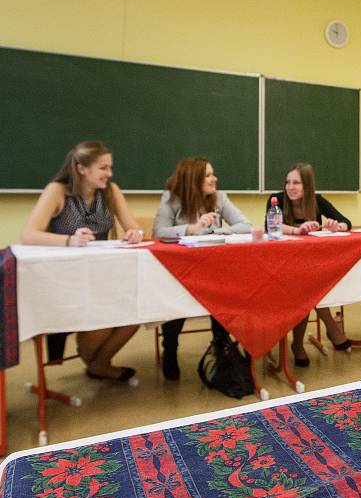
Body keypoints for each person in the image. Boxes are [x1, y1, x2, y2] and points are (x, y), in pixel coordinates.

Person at [21, 141, 143, 382]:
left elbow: (134, 228)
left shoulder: (111, 191)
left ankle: (99, 363)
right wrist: (69, 240)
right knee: (104, 316)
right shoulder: (57, 190)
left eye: (110, 167)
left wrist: (134, 234)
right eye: (103, 168)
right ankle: (95, 361)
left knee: (137, 311)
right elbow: (29, 235)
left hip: (102, 273)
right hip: (64, 277)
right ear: (81, 169)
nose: (109, 174)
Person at [153, 157, 252, 379]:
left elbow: (246, 225)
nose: (214, 178)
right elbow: (158, 233)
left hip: (212, 267)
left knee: (222, 292)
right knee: (176, 296)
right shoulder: (172, 199)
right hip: (180, 269)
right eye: (208, 175)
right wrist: (191, 228)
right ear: (193, 178)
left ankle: (220, 344)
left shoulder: (220, 198)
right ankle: (170, 347)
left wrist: (212, 232)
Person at [267, 163, 352, 366]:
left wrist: (335, 226)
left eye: (296, 182)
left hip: (310, 268)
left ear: (307, 186)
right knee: (308, 289)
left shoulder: (317, 200)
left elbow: (345, 222)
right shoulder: (276, 199)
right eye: (288, 182)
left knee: (310, 287)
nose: (290, 187)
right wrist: (298, 230)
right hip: (281, 269)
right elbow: (270, 227)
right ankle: (330, 329)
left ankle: (298, 344)